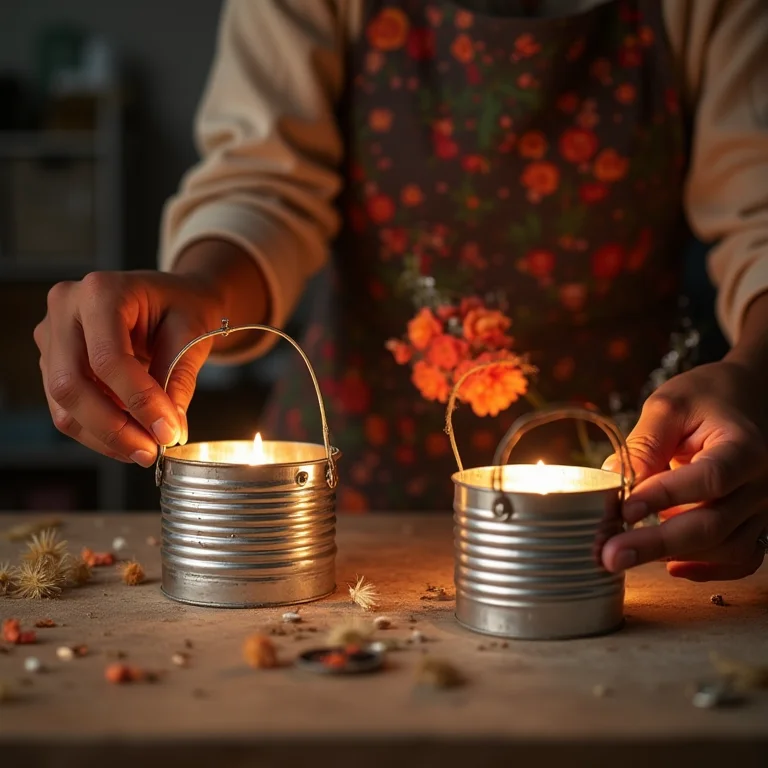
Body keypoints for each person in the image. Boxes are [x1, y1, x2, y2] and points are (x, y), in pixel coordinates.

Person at [35, 0, 768, 582]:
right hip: (349, 496)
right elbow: (265, 180)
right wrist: (200, 289)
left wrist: (754, 376)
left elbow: (756, 213)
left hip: (637, 489)